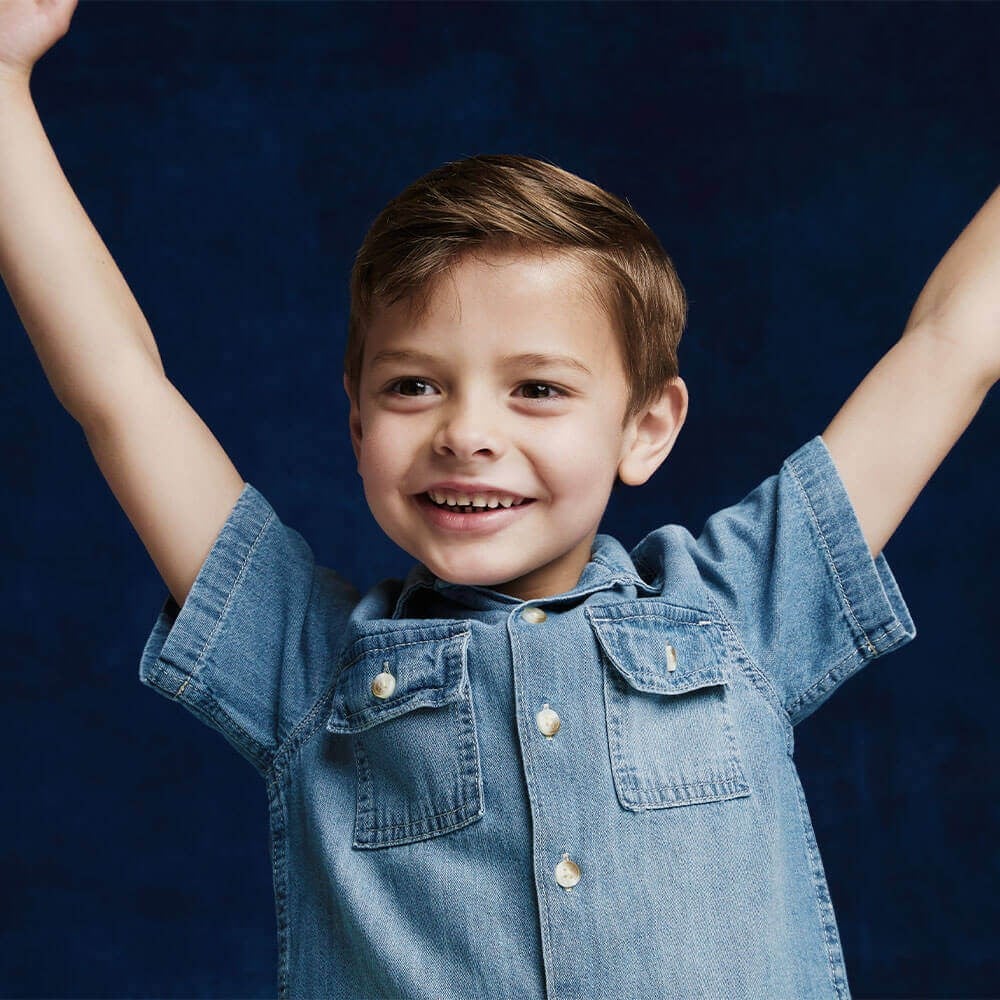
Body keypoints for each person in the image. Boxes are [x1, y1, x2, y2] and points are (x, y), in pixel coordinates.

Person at [3, 1, 997, 998]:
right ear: (355, 424)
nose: (466, 431)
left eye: (536, 388)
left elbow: (949, 349)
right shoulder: (304, 664)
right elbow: (121, 393)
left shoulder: (739, 614)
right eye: (412, 385)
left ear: (645, 425)